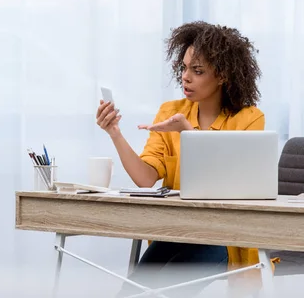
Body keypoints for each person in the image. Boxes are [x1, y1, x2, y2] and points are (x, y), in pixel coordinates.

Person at [95, 21, 266, 297]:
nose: (186, 77)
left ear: (222, 76)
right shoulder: (170, 111)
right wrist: (114, 133)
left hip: (223, 240)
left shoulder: (248, 119)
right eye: (184, 68)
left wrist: (188, 132)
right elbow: (145, 178)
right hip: (177, 232)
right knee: (134, 292)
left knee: (162, 292)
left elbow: (230, 186)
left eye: (197, 71)